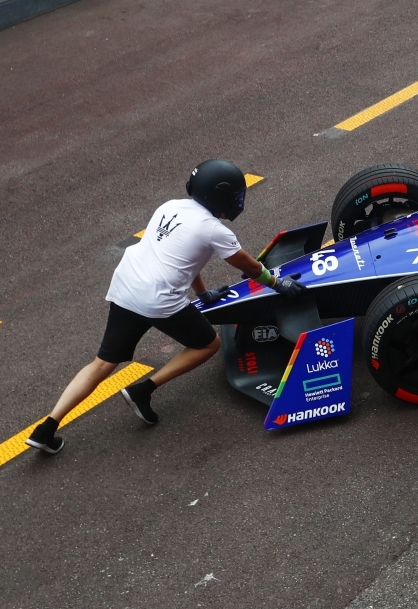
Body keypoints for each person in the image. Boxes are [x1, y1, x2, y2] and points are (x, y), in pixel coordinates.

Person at [24, 160, 305, 454]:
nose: (238, 199)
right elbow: (248, 266)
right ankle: (142, 390)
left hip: (126, 284)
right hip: (157, 298)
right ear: (220, 195)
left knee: (102, 363)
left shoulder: (171, 206)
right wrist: (277, 283)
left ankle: (46, 428)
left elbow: (182, 258)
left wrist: (203, 293)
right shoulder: (214, 230)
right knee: (208, 345)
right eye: (235, 194)